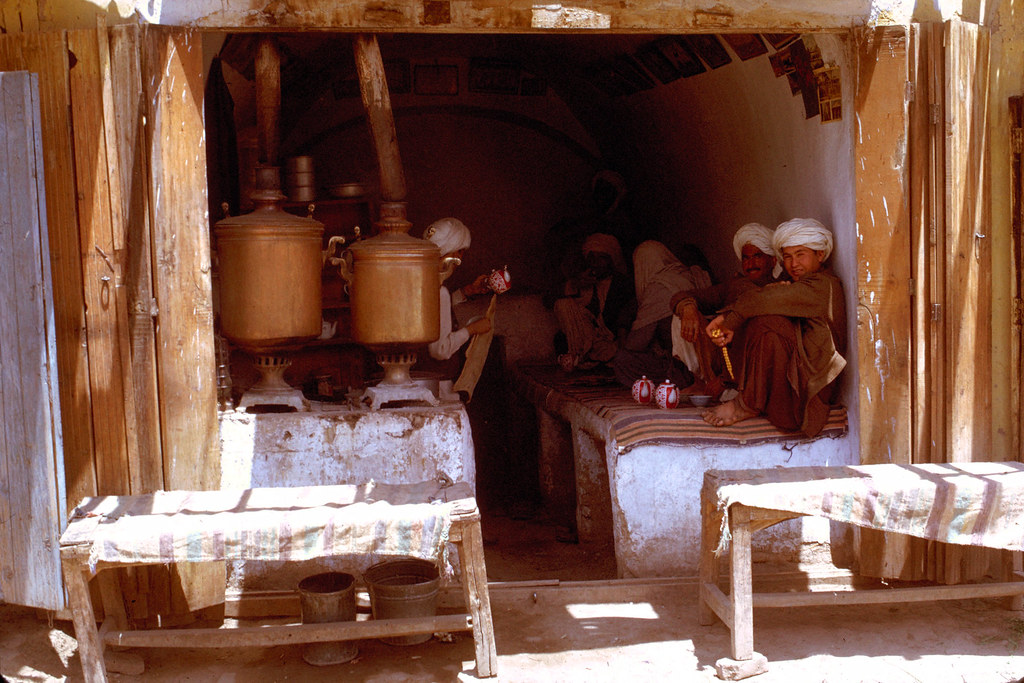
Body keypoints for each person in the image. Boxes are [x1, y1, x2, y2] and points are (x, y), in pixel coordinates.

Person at [701, 218, 846, 437]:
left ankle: (745, 404)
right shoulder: (796, 282)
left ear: (820, 255)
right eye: (787, 256)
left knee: (766, 322)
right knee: (762, 320)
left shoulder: (823, 285)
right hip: (794, 381)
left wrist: (728, 320)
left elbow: (762, 301)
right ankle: (751, 397)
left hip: (811, 391)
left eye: (801, 254)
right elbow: (766, 299)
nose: (793, 263)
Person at [669, 223, 780, 397]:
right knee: (681, 315)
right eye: (745, 258)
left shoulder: (780, 291)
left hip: (750, 368)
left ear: (773, 260)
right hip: (721, 355)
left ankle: (731, 386)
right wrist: (688, 307)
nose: (750, 263)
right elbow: (683, 295)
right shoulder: (735, 285)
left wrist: (724, 379)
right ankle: (700, 382)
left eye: (757, 256)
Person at [612, 240, 710, 387]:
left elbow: (635, 344)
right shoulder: (691, 274)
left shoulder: (659, 286)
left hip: (684, 368)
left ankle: (681, 383)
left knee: (622, 360)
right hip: (711, 361)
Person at [551, 232, 635, 372]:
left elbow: (625, 319)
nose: (595, 263)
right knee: (563, 304)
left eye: (601, 258)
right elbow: (548, 299)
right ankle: (579, 356)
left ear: (611, 261)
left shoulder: (622, 284)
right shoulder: (582, 279)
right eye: (591, 258)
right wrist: (575, 285)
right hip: (584, 342)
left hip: (612, 341)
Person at [421, 217, 492, 379]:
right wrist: (472, 329)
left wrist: (466, 292)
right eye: (460, 252)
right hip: (436, 380)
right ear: (451, 254)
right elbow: (441, 350)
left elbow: (430, 312)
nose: (460, 260)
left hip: (420, 377)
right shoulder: (439, 291)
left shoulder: (422, 282)